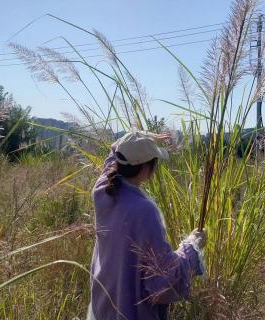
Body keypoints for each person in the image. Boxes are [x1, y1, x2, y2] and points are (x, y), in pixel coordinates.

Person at [87, 130, 207, 320]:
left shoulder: (102, 188)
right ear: (145, 169)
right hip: (130, 311)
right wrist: (193, 246)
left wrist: (142, 137)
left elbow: (114, 152)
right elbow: (161, 279)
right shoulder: (144, 211)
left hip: (104, 302)